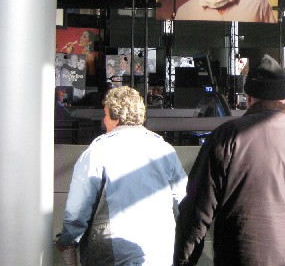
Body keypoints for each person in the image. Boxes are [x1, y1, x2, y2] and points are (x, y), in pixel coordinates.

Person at [173, 54, 285, 266]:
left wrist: (184, 261)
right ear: (284, 99)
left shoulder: (225, 138)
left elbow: (196, 212)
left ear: (249, 98)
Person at [56, 86, 188, 265]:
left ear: (116, 118)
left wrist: (68, 240)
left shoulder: (97, 151)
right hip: (159, 250)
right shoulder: (165, 150)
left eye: (105, 114)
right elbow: (183, 202)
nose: (104, 121)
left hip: (113, 252)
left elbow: (78, 208)